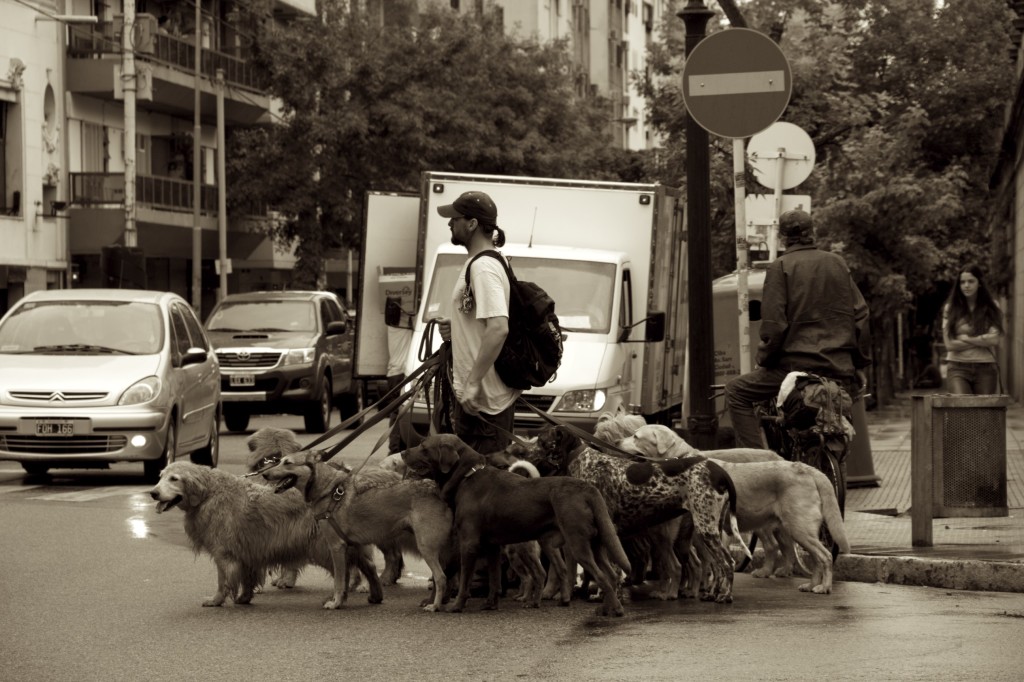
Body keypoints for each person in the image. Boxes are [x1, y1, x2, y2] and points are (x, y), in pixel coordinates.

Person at [725, 209, 872, 448]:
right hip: (838, 367)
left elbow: (774, 326)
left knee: (736, 391)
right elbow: (861, 317)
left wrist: (763, 359)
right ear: (813, 233)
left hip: (794, 370)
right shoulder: (837, 263)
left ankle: (759, 461)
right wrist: (859, 364)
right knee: (837, 428)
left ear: (782, 238)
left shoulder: (780, 267)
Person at [435, 191, 521, 454]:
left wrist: (472, 384)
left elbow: (498, 327)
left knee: (479, 491)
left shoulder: (483, 267)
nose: (450, 223)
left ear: (472, 224)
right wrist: (458, 325)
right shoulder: (480, 262)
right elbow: (484, 321)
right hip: (479, 402)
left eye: (455, 218)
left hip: (482, 405)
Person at [941, 264, 1003, 395]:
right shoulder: (950, 308)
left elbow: (994, 339)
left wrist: (965, 338)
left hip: (986, 367)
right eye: (962, 282)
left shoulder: (992, 306)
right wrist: (981, 340)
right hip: (957, 368)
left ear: (979, 283)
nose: (966, 285)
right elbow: (949, 344)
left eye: (971, 281)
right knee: (961, 410)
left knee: (984, 414)